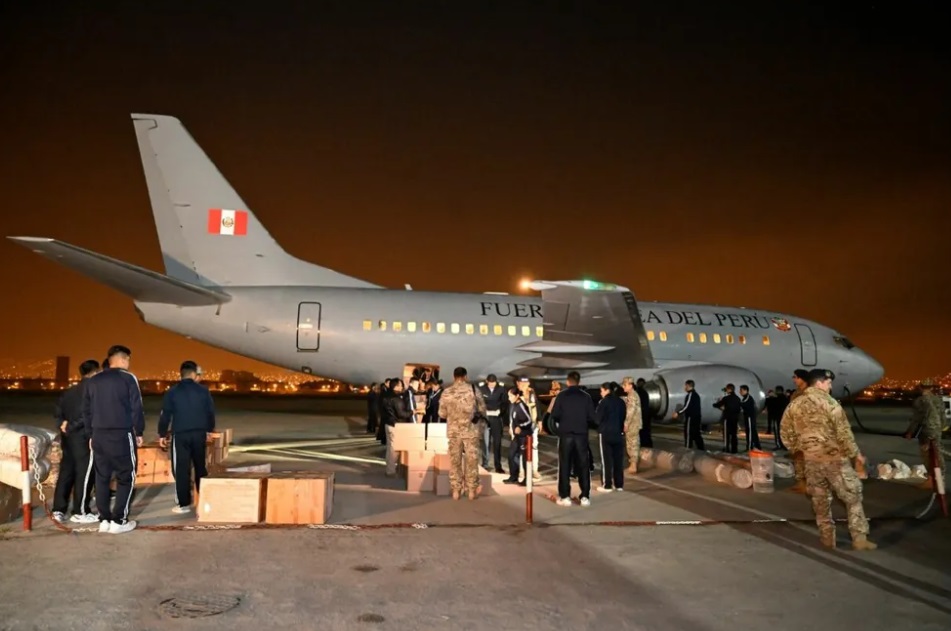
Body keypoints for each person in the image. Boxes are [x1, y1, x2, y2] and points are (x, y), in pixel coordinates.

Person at [781, 369, 876, 550]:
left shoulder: (795, 404)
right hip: (835, 460)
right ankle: (859, 538)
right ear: (819, 383)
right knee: (853, 497)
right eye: (828, 382)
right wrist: (856, 454)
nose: (830, 386)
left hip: (811, 461)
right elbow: (844, 434)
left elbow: (786, 433)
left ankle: (827, 538)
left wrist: (800, 451)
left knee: (820, 500)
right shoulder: (831, 404)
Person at [82, 345, 144, 534]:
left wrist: (90, 434)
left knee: (102, 478)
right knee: (126, 476)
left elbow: (86, 410)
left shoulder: (94, 381)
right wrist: (139, 432)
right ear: (123, 359)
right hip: (121, 434)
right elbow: (136, 407)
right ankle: (119, 520)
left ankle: (104, 519)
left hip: (99, 435)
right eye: (128, 360)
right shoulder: (128, 378)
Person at [157, 361, 216, 513]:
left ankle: (183, 504)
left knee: (181, 469)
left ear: (181, 374)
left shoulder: (172, 392)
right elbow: (210, 412)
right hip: (199, 433)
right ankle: (204, 499)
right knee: (200, 467)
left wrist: (162, 433)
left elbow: (165, 415)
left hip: (180, 434)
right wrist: (209, 430)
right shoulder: (203, 391)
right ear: (194, 374)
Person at [51, 359, 101, 524]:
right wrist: (72, 426)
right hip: (83, 437)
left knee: (66, 472)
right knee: (84, 473)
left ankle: (58, 509)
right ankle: (80, 511)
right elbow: (88, 415)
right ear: (95, 372)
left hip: (67, 438)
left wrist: (63, 425)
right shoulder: (94, 391)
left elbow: (58, 412)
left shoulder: (69, 391)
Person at [438, 367, 486, 500]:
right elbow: (482, 410)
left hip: (454, 432)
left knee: (455, 461)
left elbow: (442, 414)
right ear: (465, 376)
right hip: (471, 431)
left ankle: (456, 490)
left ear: (454, 377)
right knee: (472, 461)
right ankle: (471, 491)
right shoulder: (474, 390)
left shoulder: (447, 392)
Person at [550, 371, 596, 507]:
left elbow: (555, 414)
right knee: (583, 465)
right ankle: (585, 496)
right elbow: (592, 417)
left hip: (566, 434)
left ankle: (565, 496)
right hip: (581, 435)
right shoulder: (586, 397)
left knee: (565, 465)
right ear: (579, 381)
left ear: (568, 381)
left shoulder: (562, 396)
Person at [904, 379, 946, 489]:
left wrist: (910, 432)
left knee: (927, 456)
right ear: (932, 387)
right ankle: (940, 480)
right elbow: (943, 417)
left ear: (920, 387)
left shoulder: (920, 401)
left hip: (926, 431)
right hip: (937, 430)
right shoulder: (938, 399)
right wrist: (940, 427)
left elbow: (916, 419)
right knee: (937, 454)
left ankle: (931, 480)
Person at [596, 382, 627, 492]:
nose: (600, 393)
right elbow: (623, 417)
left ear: (606, 390)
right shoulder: (621, 402)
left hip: (606, 434)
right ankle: (619, 484)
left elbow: (597, 419)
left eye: (601, 391)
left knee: (606, 460)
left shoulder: (603, 402)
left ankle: (607, 485)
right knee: (618, 460)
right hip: (618, 433)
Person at [381, 378, 412, 476]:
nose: (402, 387)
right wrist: (412, 412)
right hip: (395, 425)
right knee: (394, 449)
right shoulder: (396, 399)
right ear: (396, 386)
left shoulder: (386, 395)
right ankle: (390, 471)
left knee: (390, 448)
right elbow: (401, 414)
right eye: (400, 385)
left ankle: (389, 468)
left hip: (388, 424)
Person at [503, 387, 533, 486]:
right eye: (508, 396)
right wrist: (512, 428)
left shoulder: (521, 406)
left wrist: (520, 426)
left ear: (517, 396)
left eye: (510, 396)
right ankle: (513, 477)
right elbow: (512, 419)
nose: (509, 398)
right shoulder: (513, 405)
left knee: (525, 458)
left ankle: (527, 479)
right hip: (517, 436)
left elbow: (529, 420)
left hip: (525, 436)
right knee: (511, 455)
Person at [787, 369, 810, 493]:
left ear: (802, 379)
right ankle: (800, 482)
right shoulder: (796, 392)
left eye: (796, 377)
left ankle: (810, 483)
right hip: (796, 430)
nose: (794, 379)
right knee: (797, 457)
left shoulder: (810, 392)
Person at [479, 374, 508, 473]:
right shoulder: (482, 389)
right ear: (487, 381)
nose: (492, 384)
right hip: (485, 418)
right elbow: (478, 402)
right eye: (490, 383)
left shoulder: (501, 389)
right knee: (486, 442)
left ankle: (498, 465)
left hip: (497, 418)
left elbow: (505, 403)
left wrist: (500, 411)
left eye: (493, 383)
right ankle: (485, 464)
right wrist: (483, 412)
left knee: (497, 443)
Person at [517, 377, 542, 481]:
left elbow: (537, 406)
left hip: (533, 423)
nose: (524, 385)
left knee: (534, 446)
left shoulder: (532, 392)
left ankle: (534, 470)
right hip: (521, 425)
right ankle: (522, 470)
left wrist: (540, 420)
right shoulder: (516, 394)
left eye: (525, 383)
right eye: (521, 383)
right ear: (518, 383)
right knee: (522, 447)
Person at [672, 380, 703, 450]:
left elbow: (686, 406)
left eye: (685, 386)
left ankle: (688, 449)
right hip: (697, 418)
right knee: (697, 434)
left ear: (688, 386)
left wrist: (678, 413)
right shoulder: (696, 395)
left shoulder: (690, 395)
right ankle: (702, 449)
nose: (684, 387)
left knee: (688, 434)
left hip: (691, 418)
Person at [621, 377, 642, 474]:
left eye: (625, 385)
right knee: (631, 444)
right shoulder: (632, 395)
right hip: (634, 423)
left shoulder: (632, 396)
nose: (623, 387)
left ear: (630, 385)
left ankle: (633, 465)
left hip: (632, 424)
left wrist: (626, 424)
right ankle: (633, 464)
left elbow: (630, 412)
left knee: (632, 444)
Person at [714, 384, 742, 454]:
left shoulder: (726, 398)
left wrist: (717, 403)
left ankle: (726, 448)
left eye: (726, 389)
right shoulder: (738, 398)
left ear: (729, 389)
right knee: (734, 435)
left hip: (727, 419)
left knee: (726, 435)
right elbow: (738, 409)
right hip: (735, 419)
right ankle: (734, 450)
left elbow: (717, 405)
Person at [739, 385, 760, 451]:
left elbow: (743, 404)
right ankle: (756, 446)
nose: (740, 392)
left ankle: (750, 447)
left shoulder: (748, 398)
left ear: (746, 390)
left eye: (741, 390)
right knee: (751, 431)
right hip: (748, 417)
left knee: (750, 432)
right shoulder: (744, 398)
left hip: (749, 418)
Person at [635, 378, 652, 448]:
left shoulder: (637, 393)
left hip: (640, 416)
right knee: (646, 432)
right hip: (646, 415)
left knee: (641, 433)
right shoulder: (645, 393)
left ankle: (643, 445)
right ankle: (648, 445)